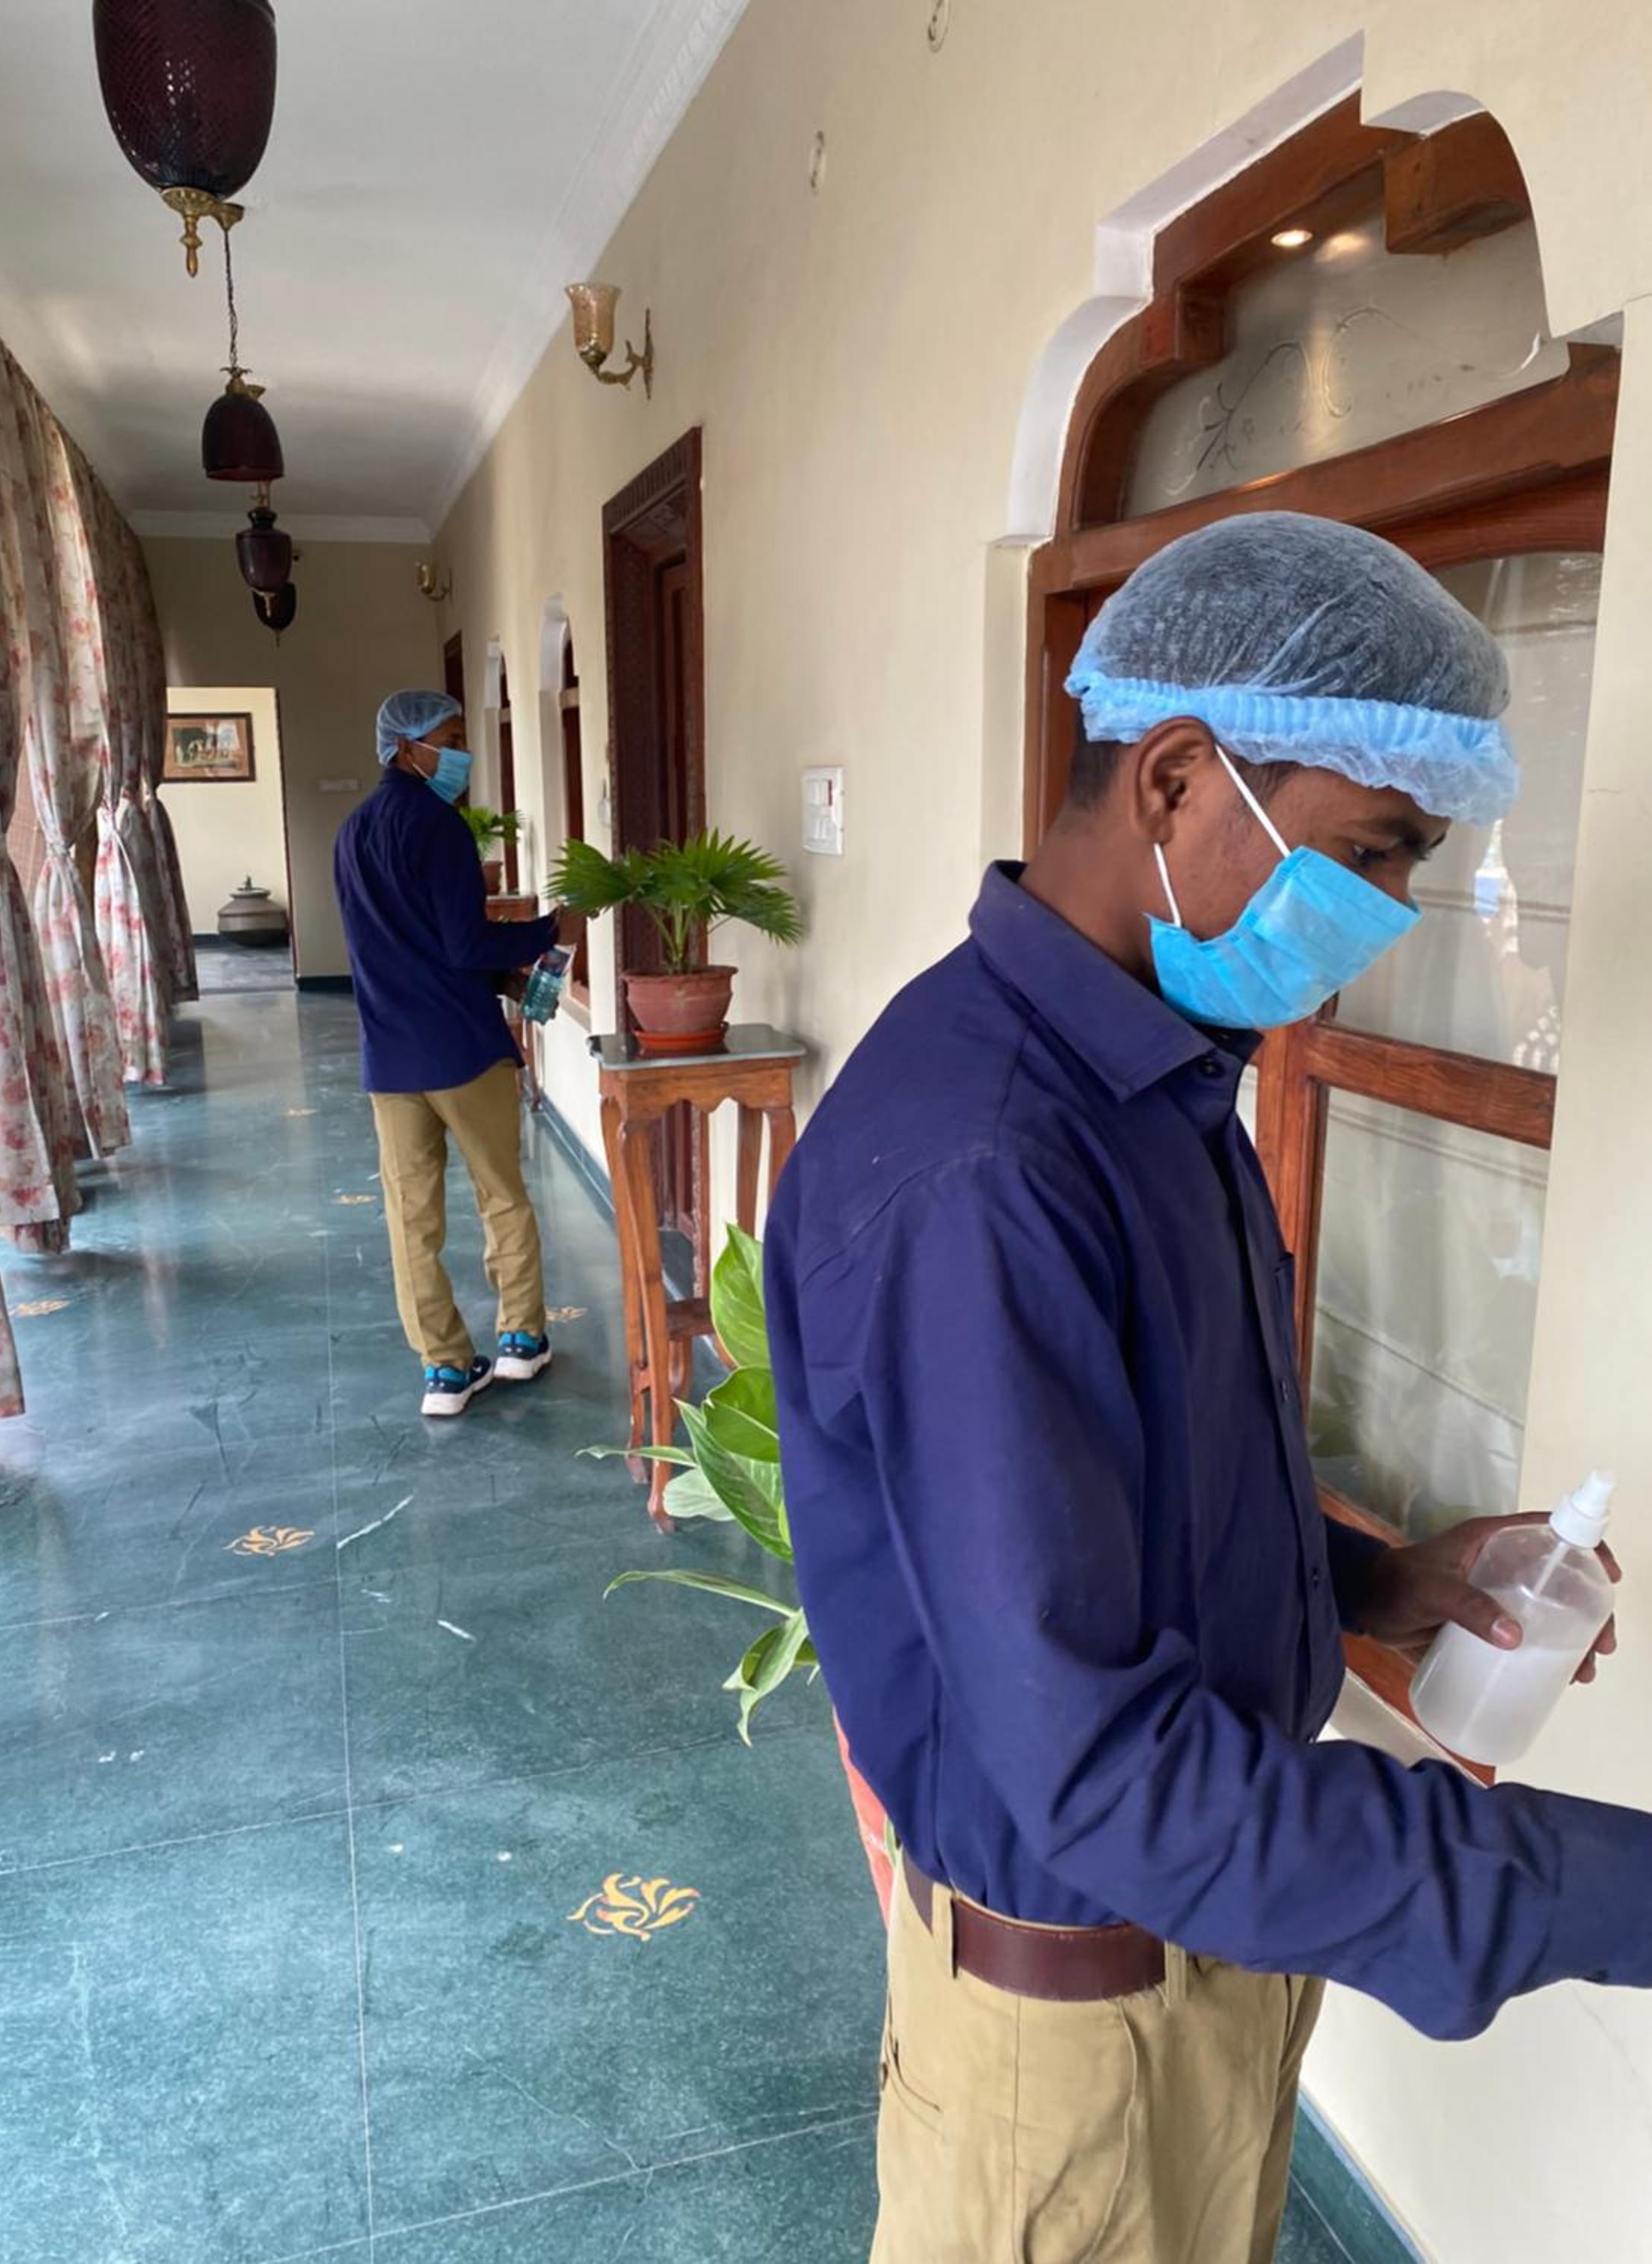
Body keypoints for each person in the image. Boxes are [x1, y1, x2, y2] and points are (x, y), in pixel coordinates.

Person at [764, 512, 1652, 2264]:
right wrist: (1616, 1889)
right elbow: (1106, 1773)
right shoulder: (986, 1169)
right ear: (1176, 778)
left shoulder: (1151, 1082)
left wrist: (1372, 1583)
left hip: (1202, 1963)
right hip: (1075, 2035)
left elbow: (1130, 1504)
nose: (1386, 915)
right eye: (1370, 852)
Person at [334, 688, 572, 1418]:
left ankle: (443, 1369)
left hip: (390, 1056)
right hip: (463, 1049)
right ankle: (521, 1338)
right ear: (408, 747)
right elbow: (465, 944)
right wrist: (549, 929)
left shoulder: (351, 832)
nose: (463, 753)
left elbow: (400, 946)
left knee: (411, 1217)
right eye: (453, 738)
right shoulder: (438, 827)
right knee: (501, 1193)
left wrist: (499, 971)